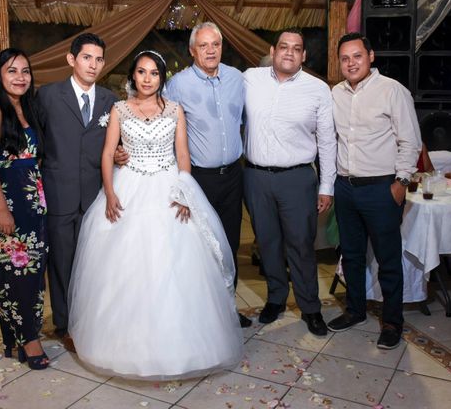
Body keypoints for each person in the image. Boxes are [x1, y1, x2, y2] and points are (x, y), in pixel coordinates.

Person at [68, 50, 243, 379]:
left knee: (175, 266)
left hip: (168, 189)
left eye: (154, 73)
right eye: (141, 72)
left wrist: (184, 191)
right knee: (126, 268)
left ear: (162, 78)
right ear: (133, 76)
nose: (147, 78)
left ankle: (183, 347)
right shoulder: (119, 109)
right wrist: (109, 192)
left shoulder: (176, 110)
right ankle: (122, 345)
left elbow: (183, 154)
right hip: (128, 188)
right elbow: (108, 154)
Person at [121, 22, 252, 327]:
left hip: (233, 175)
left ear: (222, 47)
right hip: (199, 177)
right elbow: (149, 115)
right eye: (203, 45)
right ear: (192, 50)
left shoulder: (237, 78)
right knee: (199, 246)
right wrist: (124, 148)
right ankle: (203, 312)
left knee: (229, 242)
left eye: (215, 44)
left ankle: (228, 308)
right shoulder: (177, 84)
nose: (210, 50)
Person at [329, 32, 421, 350]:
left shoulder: (392, 91)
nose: (351, 63)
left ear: (371, 56)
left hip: (382, 189)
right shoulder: (335, 94)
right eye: (345, 58)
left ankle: (393, 322)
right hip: (346, 188)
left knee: (388, 259)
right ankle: (355, 311)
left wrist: (402, 182)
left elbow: (410, 140)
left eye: (357, 56)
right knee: (352, 255)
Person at [243, 28, 337, 336]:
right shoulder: (249, 79)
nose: (289, 52)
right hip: (256, 176)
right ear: (273, 51)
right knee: (268, 244)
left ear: (303, 56)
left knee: (301, 246)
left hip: (298, 178)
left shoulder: (318, 89)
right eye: (284, 47)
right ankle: (276, 299)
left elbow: (327, 142)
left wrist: (326, 186)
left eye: (296, 49)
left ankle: (310, 308)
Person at [36, 33, 118, 349]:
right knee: (61, 262)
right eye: (87, 57)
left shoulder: (110, 101)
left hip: (95, 195)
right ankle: (65, 324)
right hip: (58, 192)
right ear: (72, 59)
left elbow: (115, 144)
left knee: (95, 262)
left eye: (98, 59)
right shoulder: (48, 96)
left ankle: (91, 318)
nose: (93, 65)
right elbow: (37, 139)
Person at [0, 48, 49, 369]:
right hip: (8, 200)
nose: (20, 77)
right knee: (15, 272)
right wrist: (2, 210)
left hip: (33, 199)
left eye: (25, 71)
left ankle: (14, 339)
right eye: (12, 71)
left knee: (32, 272)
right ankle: (29, 341)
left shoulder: (28, 110)